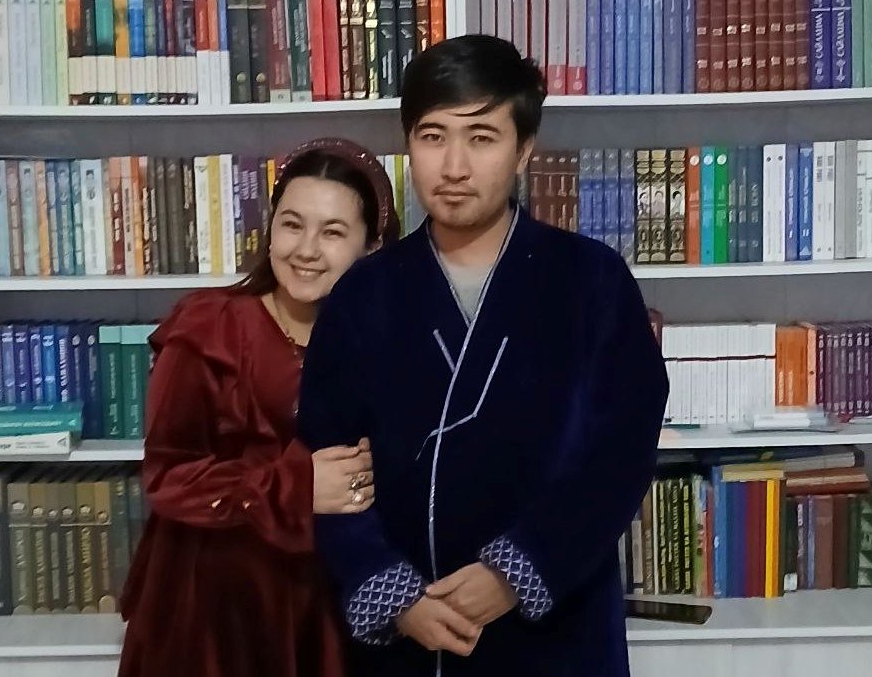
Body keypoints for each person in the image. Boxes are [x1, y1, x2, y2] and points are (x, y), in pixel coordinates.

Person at [297, 36, 669, 677]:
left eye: (482, 137)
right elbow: (329, 464)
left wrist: (515, 573)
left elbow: (619, 457)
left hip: (557, 630)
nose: (454, 166)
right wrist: (391, 592)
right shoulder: (364, 293)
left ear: (524, 149)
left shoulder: (592, 281)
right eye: (432, 136)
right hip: (407, 637)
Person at [117, 139, 400, 677]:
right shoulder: (211, 328)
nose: (306, 249)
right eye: (292, 225)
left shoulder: (385, 344)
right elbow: (168, 476)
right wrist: (296, 487)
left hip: (326, 603)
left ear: (371, 245)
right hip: (214, 602)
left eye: (333, 232)